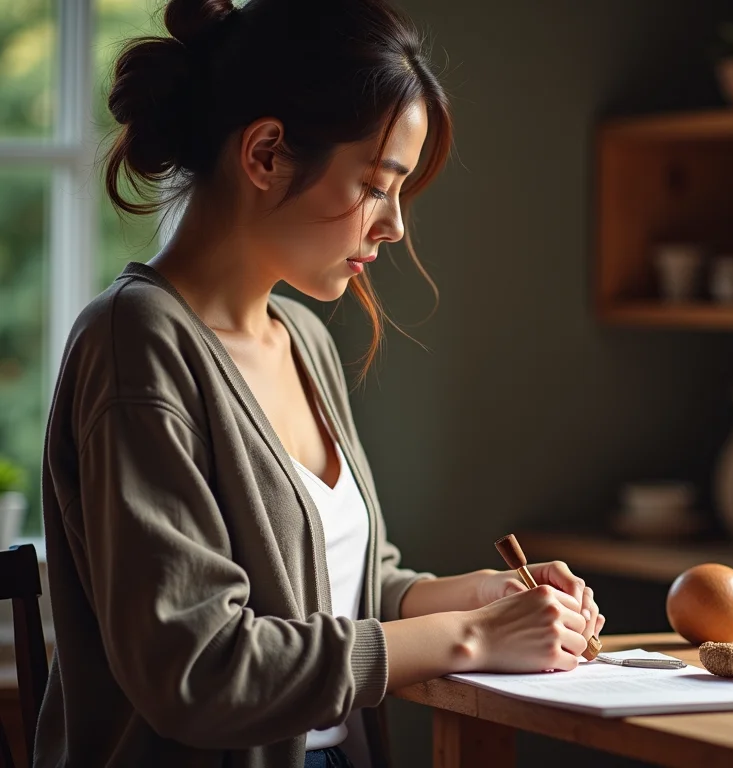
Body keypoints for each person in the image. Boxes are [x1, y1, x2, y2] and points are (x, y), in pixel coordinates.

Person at [35, 1, 604, 766]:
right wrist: (470, 639)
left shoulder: (303, 339)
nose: (395, 225)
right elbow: (201, 671)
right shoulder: (135, 343)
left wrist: (478, 600)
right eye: (376, 185)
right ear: (266, 154)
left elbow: (333, 594)